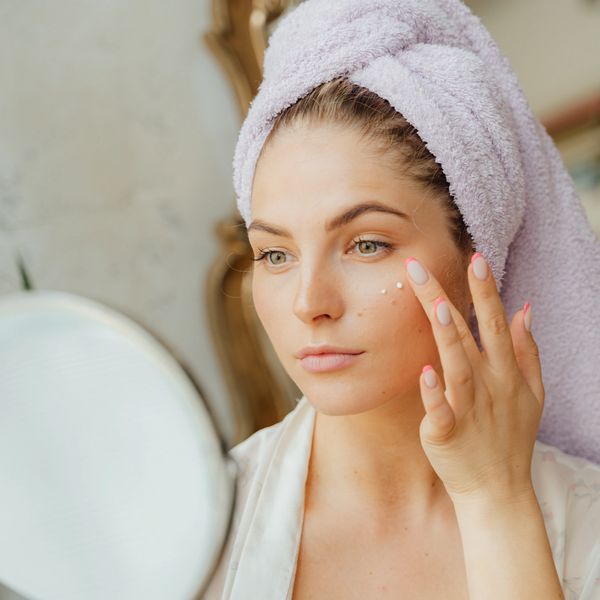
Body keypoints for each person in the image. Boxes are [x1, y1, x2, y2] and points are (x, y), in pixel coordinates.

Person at [204, 1, 600, 598]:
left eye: (366, 244)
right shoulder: (195, 534)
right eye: (275, 255)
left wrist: (496, 499)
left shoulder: (587, 524)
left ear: (478, 257)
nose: (309, 302)